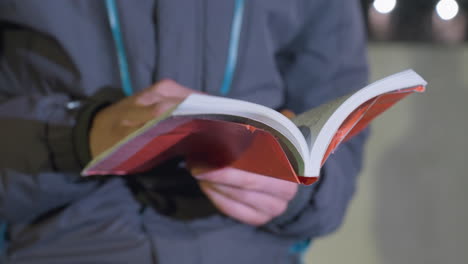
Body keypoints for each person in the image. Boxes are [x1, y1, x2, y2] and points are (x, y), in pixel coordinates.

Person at [0, 0, 369, 263]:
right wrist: (80, 137)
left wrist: (295, 187)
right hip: (60, 244)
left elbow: (338, 122)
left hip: (246, 249)